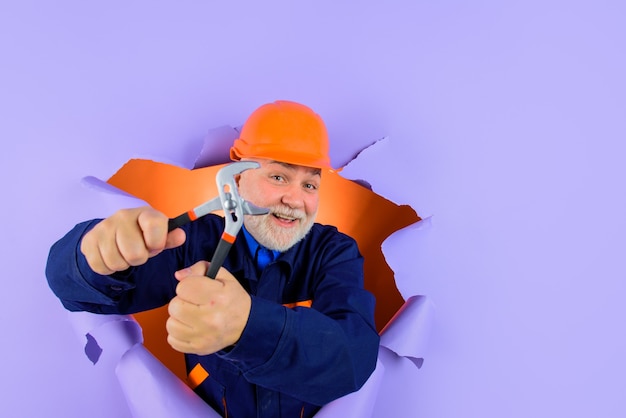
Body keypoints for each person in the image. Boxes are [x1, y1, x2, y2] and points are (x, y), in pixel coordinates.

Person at [46, 100, 379, 418]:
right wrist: (93, 254)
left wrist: (248, 326)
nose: (295, 199)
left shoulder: (334, 252)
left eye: (310, 184)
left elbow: (354, 359)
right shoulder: (192, 242)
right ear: (236, 179)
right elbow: (74, 287)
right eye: (278, 176)